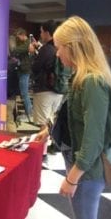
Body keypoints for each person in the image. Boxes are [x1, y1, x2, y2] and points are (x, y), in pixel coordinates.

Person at [36, 16, 111, 219]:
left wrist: (72, 179)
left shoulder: (91, 82)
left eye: (59, 47)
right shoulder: (80, 76)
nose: (57, 53)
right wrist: (48, 131)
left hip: (86, 171)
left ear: (73, 47)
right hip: (79, 164)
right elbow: (70, 115)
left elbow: (93, 139)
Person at [31, 20, 64, 163]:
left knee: (43, 123)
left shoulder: (45, 49)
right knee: (52, 119)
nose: (40, 34)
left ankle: (42, 152)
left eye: (41, 31)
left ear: (47, 33)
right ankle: (54, 146)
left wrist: (33, 53)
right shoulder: (58, 48)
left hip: (44, 91)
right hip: (59, 90)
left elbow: (35, 68)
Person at [13, 28, 34, 121]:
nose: (17, 39)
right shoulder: (26, 44)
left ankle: (30, 114)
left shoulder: (27, 44)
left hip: (24, 72)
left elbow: (15, 50)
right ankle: (28, 113)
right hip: (23, 71)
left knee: (24, 93)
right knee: (23, 93)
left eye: (18, 37)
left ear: (23, 35)